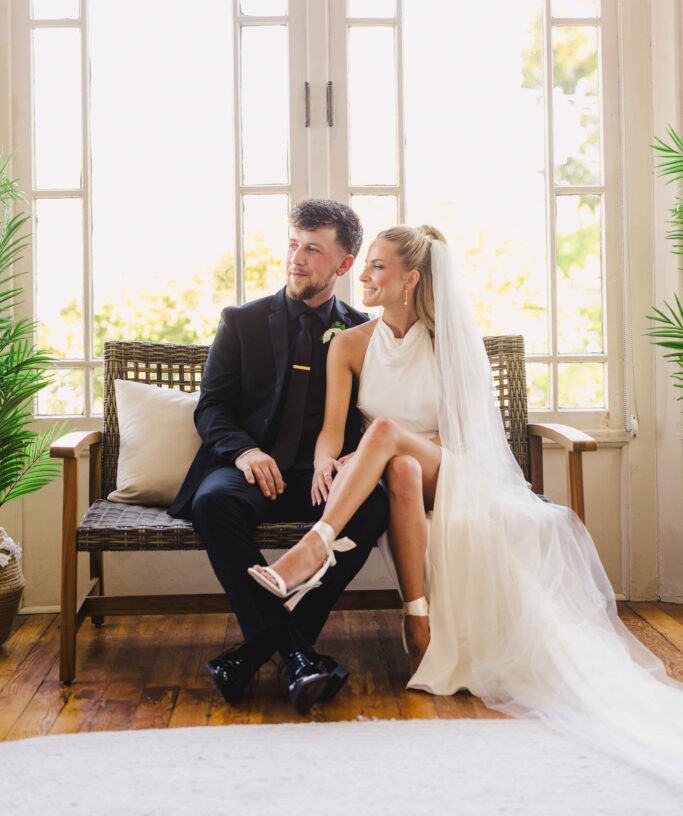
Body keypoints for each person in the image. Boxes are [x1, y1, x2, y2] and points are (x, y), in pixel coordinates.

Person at [250, 224, 683, 785]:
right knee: (397, 464)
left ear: (411, 279)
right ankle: (418, 625)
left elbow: (462, 440)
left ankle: (312, 550)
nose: (364, 276)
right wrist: (330, 460)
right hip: (393, 473)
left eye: (378, 267)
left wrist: (381, 446)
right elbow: (333, 432)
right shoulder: (349, 345)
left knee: (390, 439)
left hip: (452, 466)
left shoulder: (450, 342)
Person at [168, 199, 388, 714]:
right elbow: (212, 408)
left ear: (344, 264)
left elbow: (371, 418)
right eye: (292, 244)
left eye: (313, 248)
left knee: (371, 505)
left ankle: (256, 653)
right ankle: (295, 652)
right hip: (248, 473)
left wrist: (343, 462)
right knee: (211, 502)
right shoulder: (240, 322)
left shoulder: (362, 333)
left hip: (319, 477)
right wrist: (244, 452)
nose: (296, 257)